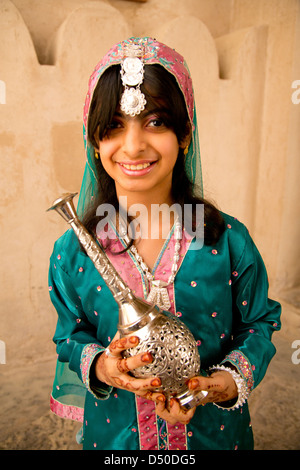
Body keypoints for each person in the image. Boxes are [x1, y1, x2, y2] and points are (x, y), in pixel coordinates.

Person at [48, 37, 281, 450]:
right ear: (94, 141)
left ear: (186, 133)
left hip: (215, 438)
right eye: (114, 126)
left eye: (155, 122)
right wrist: (103, 366)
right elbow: (71, 336)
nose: (134, 146)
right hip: (115, 440)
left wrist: (221, 385)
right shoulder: (74, 253)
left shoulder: (228, 243)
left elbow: (258, 325)